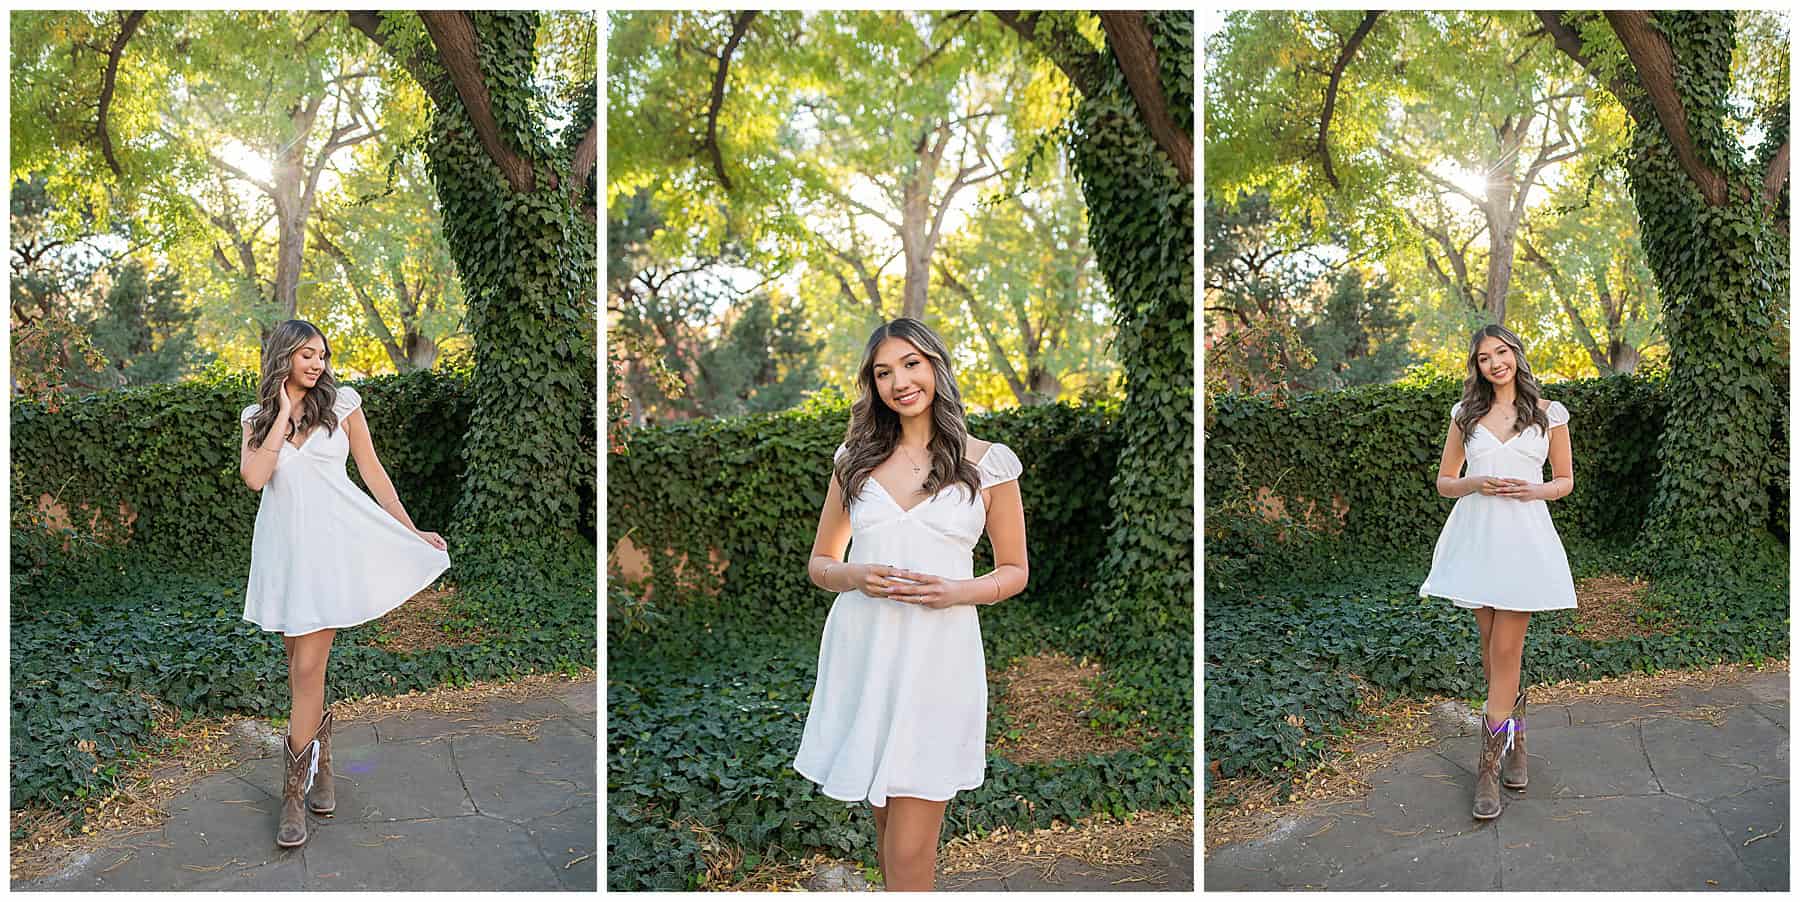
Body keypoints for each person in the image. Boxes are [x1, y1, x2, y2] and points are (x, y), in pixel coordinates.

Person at [793, 317, 1029, 891]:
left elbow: (1015, 571)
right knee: (886, 834)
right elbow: (820, 564)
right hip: (863, 656)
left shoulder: (989, 463)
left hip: (938, 663)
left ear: (936, 368)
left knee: (907, 852)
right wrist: (852, 573)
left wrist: (957, 591)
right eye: (883, 372)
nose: (899, 381)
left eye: (911, 363)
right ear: (872, 386)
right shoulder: (854, 460)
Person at [237, 319, 451, 848]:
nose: (317, 363)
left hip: (331, 550)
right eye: (307, 354)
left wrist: (411, 530)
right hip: (284, 554)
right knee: (297, 667)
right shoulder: (257, 419)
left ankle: (292, 795)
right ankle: (321, 762)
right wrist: (283, 414)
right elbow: (255, 478)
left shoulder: (344, 406)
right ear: (283, 356)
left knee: (308, 666)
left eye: (323, 355)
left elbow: (374, 474)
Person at [1419, 323, 1576, 820]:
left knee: (1507, 649)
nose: (1494, 363)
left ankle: (1487, 768)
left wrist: (1536, 490)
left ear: (1516, 355)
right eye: (1484, 358)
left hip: (1524, 541)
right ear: (1478, 366)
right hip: (1477, 539)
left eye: (1501, 352)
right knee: (1492, 656)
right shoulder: (1465, 415)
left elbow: (1566, 481)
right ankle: (1517, 740)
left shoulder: (1549, 414)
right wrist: (1476, 480)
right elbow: (1446, 483)